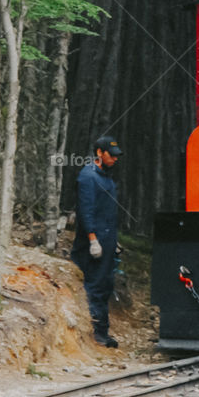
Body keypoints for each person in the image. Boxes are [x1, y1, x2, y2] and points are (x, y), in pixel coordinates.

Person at [71, 134, 122, 347]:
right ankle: (96, 333)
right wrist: (93, 239)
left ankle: (102, 331)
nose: (115, 159)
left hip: (107, 239)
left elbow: (107, 211)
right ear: (100, 153)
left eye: (117, 156)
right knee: (96, 285)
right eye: (111, 155)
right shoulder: (88, 177)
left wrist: (113, 241)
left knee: (105, 283)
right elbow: (86, 211)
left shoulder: (105, 177)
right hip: (94, 242)